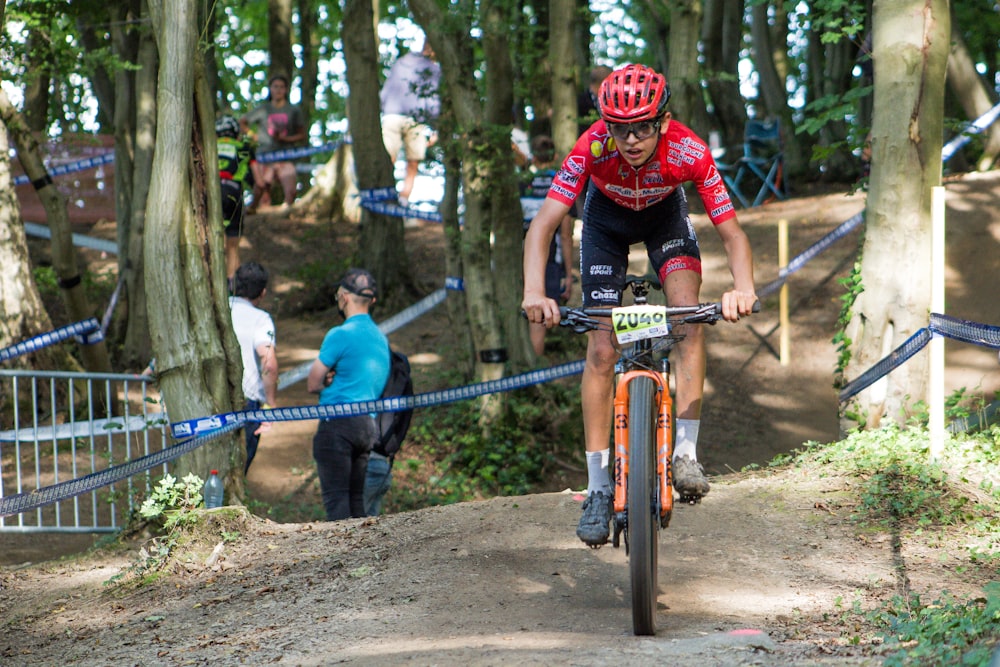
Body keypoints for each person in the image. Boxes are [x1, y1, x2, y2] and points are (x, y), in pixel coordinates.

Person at [521, 63, 757, 548]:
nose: (631, 140)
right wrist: (534, 291)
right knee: (602, 350)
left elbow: (731, 233)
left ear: (663, 122)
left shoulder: (688, 149)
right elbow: (543, 225)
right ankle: (599, 487)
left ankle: (686, 454)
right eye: (620, 129)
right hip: (605, 225)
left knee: (689, 319)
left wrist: (743, 289)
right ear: (606, 126)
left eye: (643, 127)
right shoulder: (591, 147)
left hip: (665, 221)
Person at [307, 268, 391, 521]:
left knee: (337, 502)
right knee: (356, 502)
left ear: (343, 297)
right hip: (367, 426)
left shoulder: (340, 334)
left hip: (337, 424)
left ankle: (341, 559)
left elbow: (313, 382)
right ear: (372, 301)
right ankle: (361, 558)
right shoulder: (380, 337)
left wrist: (327, 380)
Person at [520, 134, 574, 356]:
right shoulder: (561, 184)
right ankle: (536, 372)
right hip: (550, 259)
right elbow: (566, 234)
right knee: (538, 319)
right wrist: (569, 273)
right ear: (553, 157)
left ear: (533, 158)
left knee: (532, 313)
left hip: (522, 256)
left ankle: (531, 372)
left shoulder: (522, 183)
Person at [229, 261, 279, 475]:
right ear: (263, 292)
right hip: (246, 401)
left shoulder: (214, 310)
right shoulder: (261, 319)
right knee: (238, 472)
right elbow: (268, 363)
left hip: (208, 397)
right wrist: (271, 405)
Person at [380, 38, 441, 206]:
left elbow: (386, 90)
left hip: (392, 115)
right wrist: (435, 128)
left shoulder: (401, 62)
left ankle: (389, 199)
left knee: (389, 158)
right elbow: (434, 99)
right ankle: (401, 201)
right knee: (412, 163)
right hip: (415, 120)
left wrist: (383, 108)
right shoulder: (433, 69)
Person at [241, 74, 307, 211]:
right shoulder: (263, 109)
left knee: (291, 192)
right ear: (270, 89)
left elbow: (302, 134)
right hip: (264, 156)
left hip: (286, 156)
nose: (278, 90)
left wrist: (286, 139)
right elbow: (242, 122)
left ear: (287, 90)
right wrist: (253, 136)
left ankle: (287, 213)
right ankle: (256, 214)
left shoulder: (293, 110)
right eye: (275, 86)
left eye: (282, 87)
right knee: (261, 191)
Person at [216, 115, 255, 281]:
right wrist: (257, 201)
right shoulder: (243, 147)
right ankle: (232, 284)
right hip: (234, 192)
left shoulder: (209, 145)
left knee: (210, 239)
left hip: (213, 191)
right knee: (232, 245)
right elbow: (258, 180)